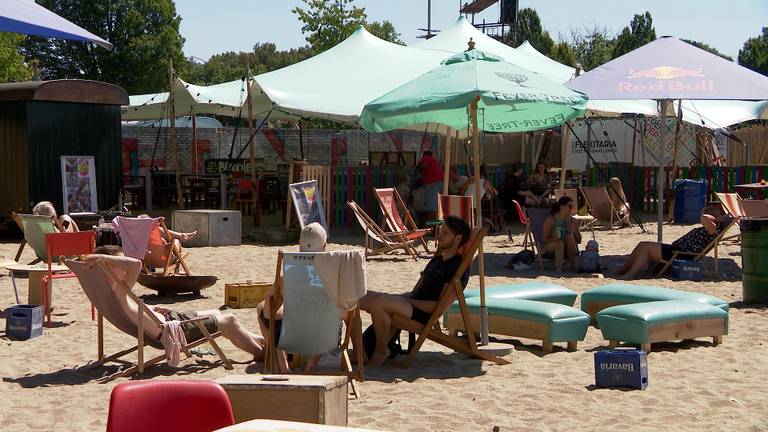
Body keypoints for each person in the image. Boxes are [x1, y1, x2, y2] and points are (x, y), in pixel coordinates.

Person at [82, 245, 265, 360]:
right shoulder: (118, 290)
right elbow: (136, 264)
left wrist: (151, 308)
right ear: (109, 267)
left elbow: (133, 310)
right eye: (120, 263)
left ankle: (267, 345)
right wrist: (103, 258)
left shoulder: (110, 292)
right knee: (229, 321)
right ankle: (261, 354)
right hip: (174, 330)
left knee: (218, 314)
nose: (124, 267)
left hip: (170, 319)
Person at [360, 215, 471, 367]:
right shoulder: (438, 260)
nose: (440, 235)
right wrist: (399, 298)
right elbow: (416, 291)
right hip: (410, 303)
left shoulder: (456, 269)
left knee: (379, 303)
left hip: (423, 313)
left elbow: (437, 307)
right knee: (360, 295)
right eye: (441, 231)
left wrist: (404, 300)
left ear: (458, 239)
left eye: (445, 233)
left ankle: (381, 351)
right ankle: (359, 350)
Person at [256, 222, 334, 372]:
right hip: (327, 334)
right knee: (326, 318)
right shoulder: (335, 272)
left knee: (267, 313)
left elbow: (268, 313)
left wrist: (268, 297)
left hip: (293, 334)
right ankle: (310, 368)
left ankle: (281, 365)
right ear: (325, 246)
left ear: (299, 244)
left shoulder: (288, 277)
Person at [616, 212, 732, 278]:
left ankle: (630, 274)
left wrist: (717, 219)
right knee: (642, 244)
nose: (722, 215)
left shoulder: (714, 230)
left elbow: (704, 217)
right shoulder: (712, 229)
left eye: (724, 216)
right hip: (677, 250)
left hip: (681, 253)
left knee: (646, 248)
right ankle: (624, 270)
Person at [542, 196, 579, 272]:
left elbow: (579, 240)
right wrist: (557, 238)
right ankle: (559, 268)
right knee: (560, 243)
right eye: (570, 206)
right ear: (561, 206)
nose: (571, 208)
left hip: (569, 248)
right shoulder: (551, 219)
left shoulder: (572, 220)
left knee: (569, 237)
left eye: (572, 206)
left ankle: (572, 265)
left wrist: (574, 230)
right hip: (551, 246)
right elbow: (545, 239)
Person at [417, 150, 444, 222]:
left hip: (432, 182)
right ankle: (435, 226)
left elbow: (423, 165)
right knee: (437, 205)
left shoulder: (426, 157)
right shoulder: (435, 161)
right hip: (441, 182)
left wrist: (418, 167)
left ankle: (429, 228)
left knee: (431, 206)